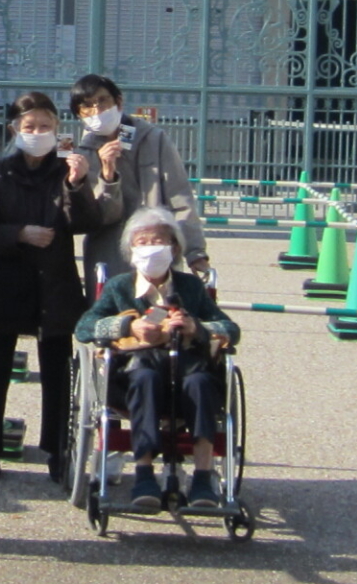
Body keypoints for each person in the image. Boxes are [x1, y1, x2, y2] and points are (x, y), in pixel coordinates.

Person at [0, 92, 112, 485]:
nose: (37, 133)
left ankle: (58, 451)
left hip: (53, 282)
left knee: (59, 373)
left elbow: (85, 223)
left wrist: (78, 185)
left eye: (45, 126)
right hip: (4, 280)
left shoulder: (66, 170)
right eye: (29, 127)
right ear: (15, 130)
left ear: (58, 130)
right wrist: (19, 234)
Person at [74, 208, 240, 516]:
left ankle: (203, 478)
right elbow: (84, 327)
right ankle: (145, 475)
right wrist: (128, 327)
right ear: (132, 250)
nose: (150, 247)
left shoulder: (190, 287)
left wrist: (197, 328)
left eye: (158, 241)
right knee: (145, 378)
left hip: (187, 372)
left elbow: (231, 329)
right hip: (135, 377)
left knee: (202, 381)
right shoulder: (120, 287)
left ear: (174, 248)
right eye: (143, 241)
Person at [70, 74, 207, 290]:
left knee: (161, 315)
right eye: (87, 106)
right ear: (79, 113)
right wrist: (107, 175)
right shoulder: (83, 153)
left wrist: (194, 251)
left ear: (119, 101)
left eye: (103, 100)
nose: (97, 110)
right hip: (109, 254)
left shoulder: (152, 138)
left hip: (156, 247)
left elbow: (180, 197)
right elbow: (100, 215)